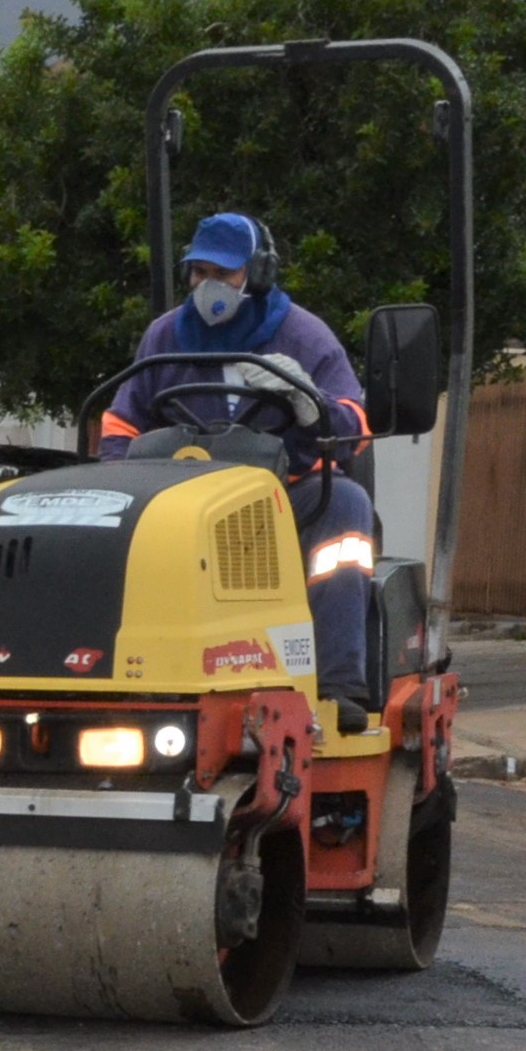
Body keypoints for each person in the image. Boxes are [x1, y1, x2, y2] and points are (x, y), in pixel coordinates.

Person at [95, 211, 384, 706]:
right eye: (199, 272)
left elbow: (355, 428)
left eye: (223, 273)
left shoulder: (305, 336)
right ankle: (123, 676)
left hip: (286, 498)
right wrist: (123, 485)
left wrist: (309, 402)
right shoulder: (164, 338)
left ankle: (337, 686)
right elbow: (122, 425)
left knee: (346, 506)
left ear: (259, 273)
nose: (208, 285)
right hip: (181, 501)